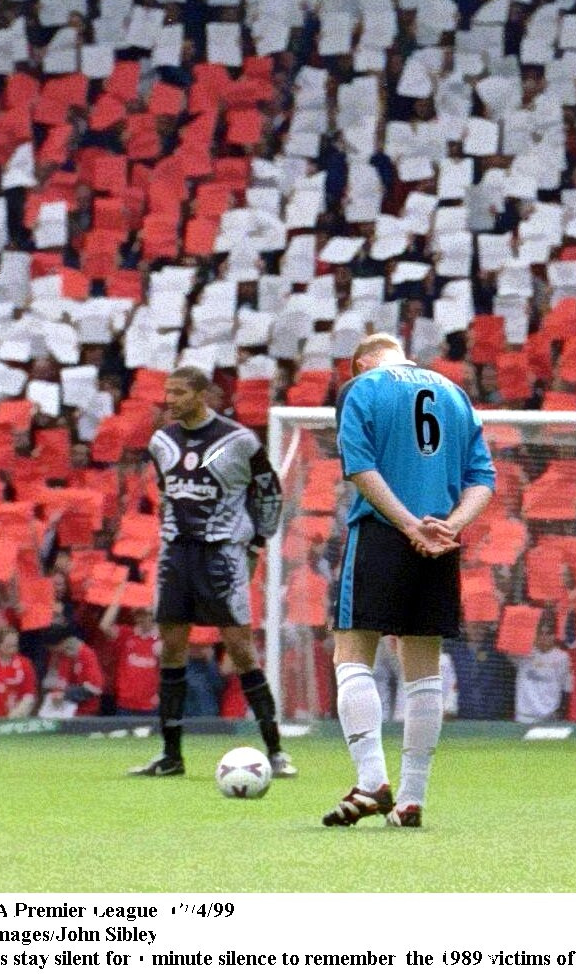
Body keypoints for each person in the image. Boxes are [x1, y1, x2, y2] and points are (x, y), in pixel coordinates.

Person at [322, 333, 495, 829]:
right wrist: (450, 526)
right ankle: (412, 797)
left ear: (359, 363)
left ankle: (373, 778)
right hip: (441, 538)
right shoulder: (454, 392)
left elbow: (360, 468)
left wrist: (405, 524)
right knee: (423, 669)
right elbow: (484, 478)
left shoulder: (363, 388)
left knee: (352, 653)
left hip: (384, 533)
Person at [130, 366, 291, 780]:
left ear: (203, 395)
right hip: (176, 554)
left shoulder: (239, 441)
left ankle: (275, 751)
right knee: (171, 647)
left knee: (239, 648)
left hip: (221, 555)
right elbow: (167, 492)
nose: (170, 400)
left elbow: (269, 490)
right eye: (168, 392)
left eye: (180, 393)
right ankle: (170, 755)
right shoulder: (161, 441)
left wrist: (258, 542)